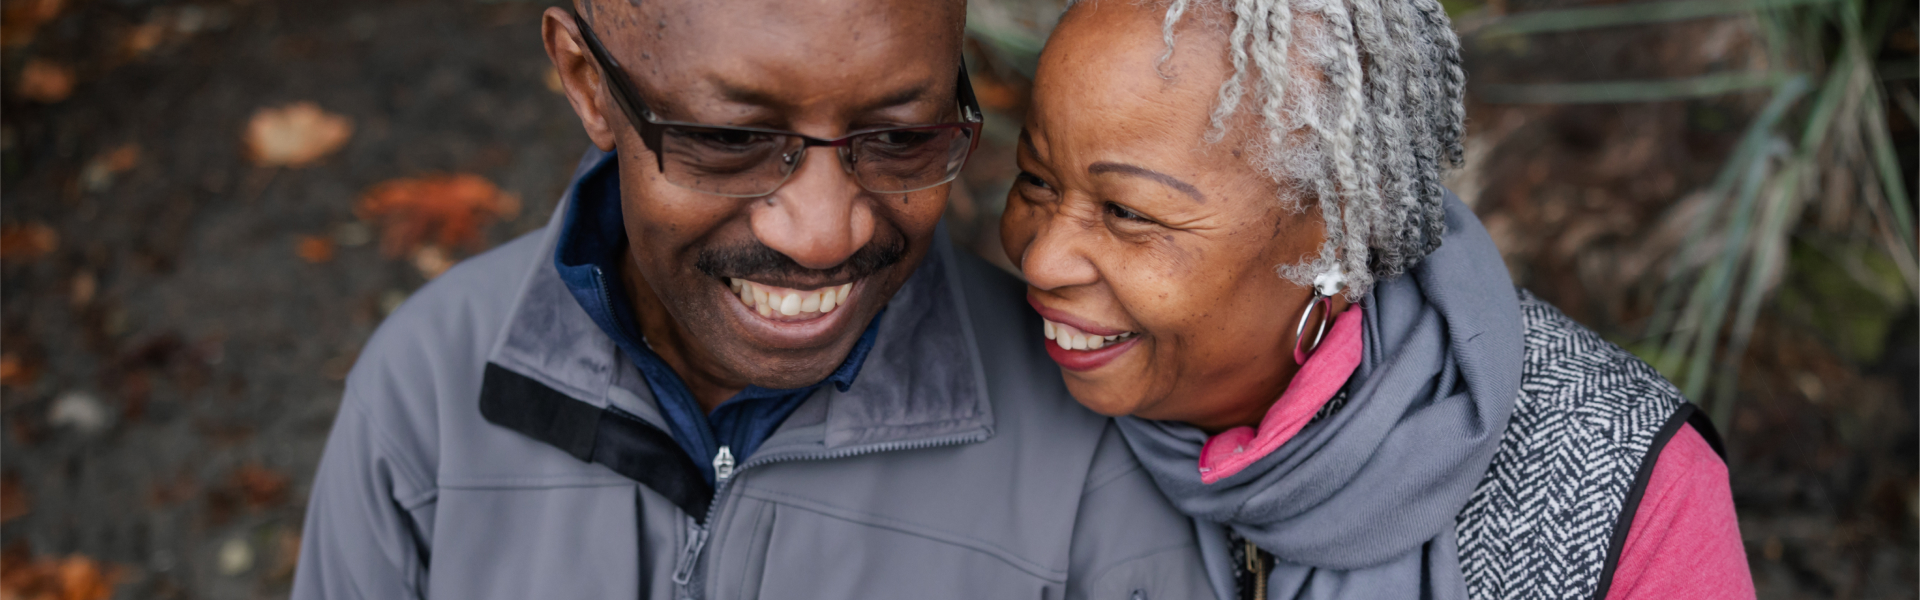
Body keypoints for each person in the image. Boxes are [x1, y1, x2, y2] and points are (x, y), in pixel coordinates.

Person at [290, 1, 1214, 598]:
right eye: (732, 141)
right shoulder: (427, 395)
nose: (822, 234)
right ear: (586, 82)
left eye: (897, 137)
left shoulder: (1091, 451)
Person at [999, 1, 1755, 599]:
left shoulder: (1611, 476)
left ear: (1335, 234)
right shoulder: (1002, 394)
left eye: (1128, 213)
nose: (1041, 259)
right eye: (1035, 180)